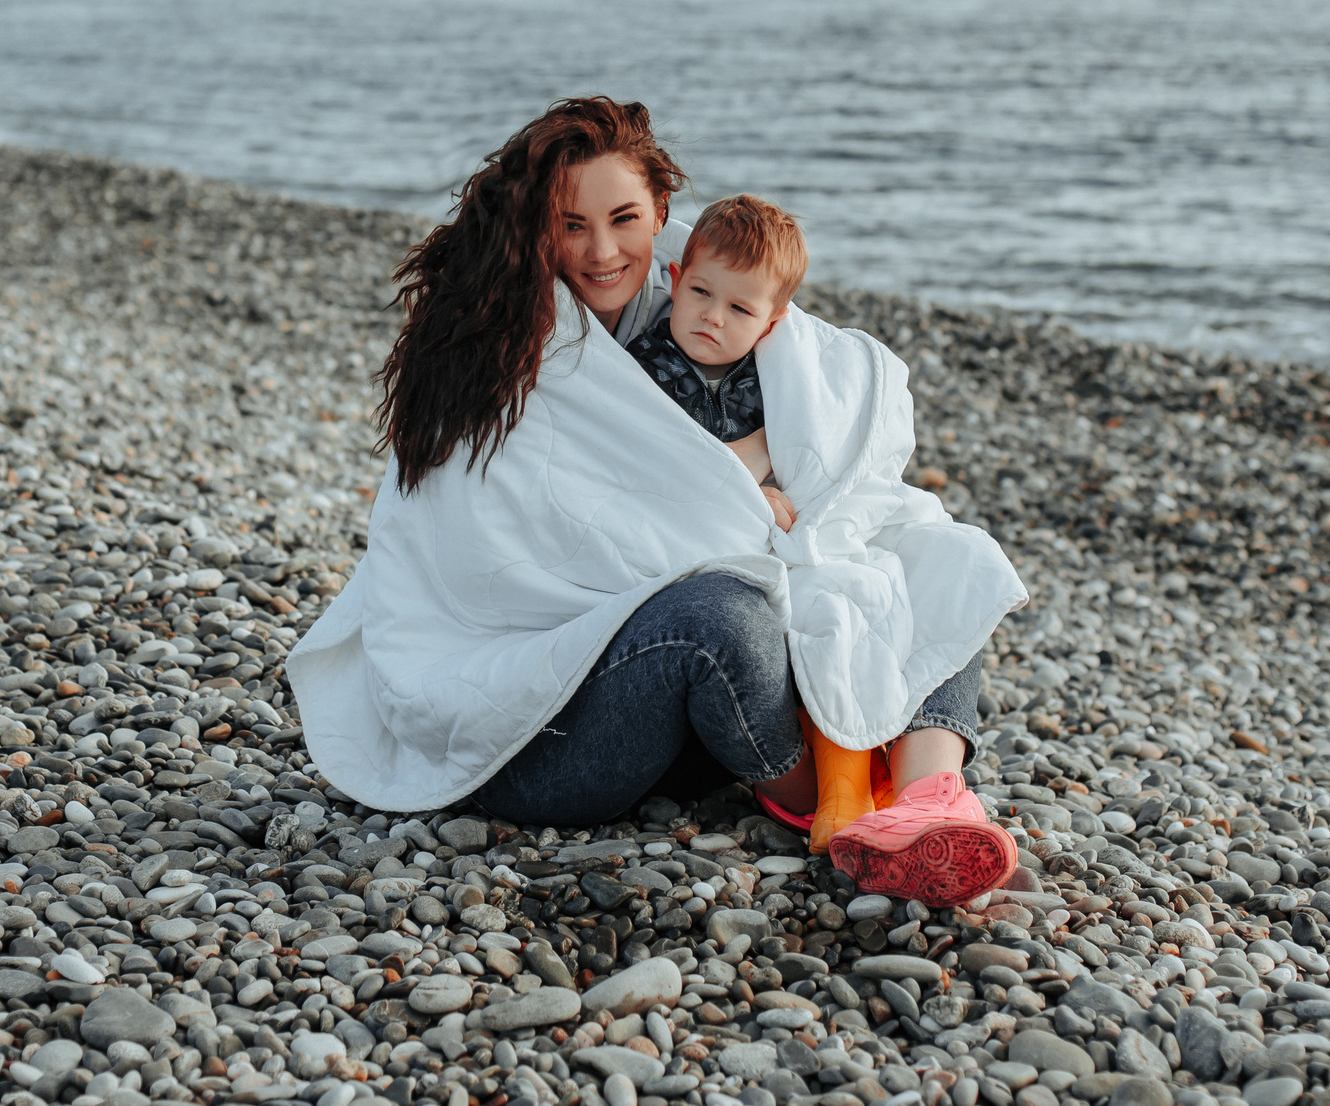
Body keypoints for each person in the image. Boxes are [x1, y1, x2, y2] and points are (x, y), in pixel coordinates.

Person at [289, 97, 1026, 907]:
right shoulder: (494, 353)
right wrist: (737, 494)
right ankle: (840, 803)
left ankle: (931, 798)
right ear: (537, 227)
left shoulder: (690, 288)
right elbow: (532, 545)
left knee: (932, 547)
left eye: (624, 218)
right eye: (571, 225)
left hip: (664, 710)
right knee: (721, 614)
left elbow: (829, 396)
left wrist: (761, 484)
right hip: (537, 726)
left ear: (662, 214)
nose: (602, 252)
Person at [621, 193, 804, 533]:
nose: (713, 316)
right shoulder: (643, 362)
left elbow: (809, 439)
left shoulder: (771, 381)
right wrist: (742, 493)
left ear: (770, 323)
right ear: (677, 282)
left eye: (739, 309)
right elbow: (641, 461)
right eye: (701, 292)